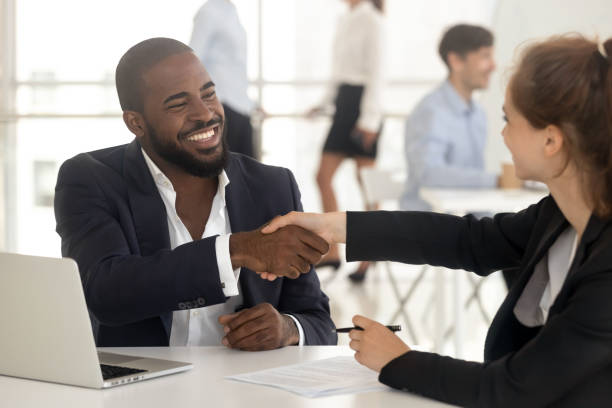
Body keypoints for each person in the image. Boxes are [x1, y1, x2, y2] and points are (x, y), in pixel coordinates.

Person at [261, 35, 612, 406]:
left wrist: (400, 360)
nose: (502, 133)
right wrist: (336, 227)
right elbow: (468, 240)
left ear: (551, 141)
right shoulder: (558, 214)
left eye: (509, 119)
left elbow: (512, 389)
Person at [54, 38, 337, 350]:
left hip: (243, 392)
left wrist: (287, 328)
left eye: (209, 94)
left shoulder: (272, 186)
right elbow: (105, 293)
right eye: (178, 104)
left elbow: (319, 321)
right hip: (138, 393)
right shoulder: (91, 178)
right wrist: (235, 250)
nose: (205, 114)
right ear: (137, 123)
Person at [308, 0, 385, 282]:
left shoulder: (372, 20)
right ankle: (332, 250)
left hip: (364, 106)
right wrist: (323, 103)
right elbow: (337, 73)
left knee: (368, 186)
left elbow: (378, 73)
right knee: (322, 176)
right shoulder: (345, 19)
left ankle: (368, 255)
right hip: (344, 104)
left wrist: (369, 120)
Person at [400, 24, 498, 212]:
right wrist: (496, 180)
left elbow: (475, 191)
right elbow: (429, 174)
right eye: (485, 56)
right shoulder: (431, 111)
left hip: (463, 222)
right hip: (427, 226)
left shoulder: (478, 114)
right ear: (456, 61)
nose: (493, 66)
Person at [189, 0, 256, 158]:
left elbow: (235, 67)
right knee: (225, 172)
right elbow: (193, 59)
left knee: (247, 174)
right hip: (221, 105)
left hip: (241, 107)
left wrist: (251, 103)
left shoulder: (231, 11)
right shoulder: (208, 12)